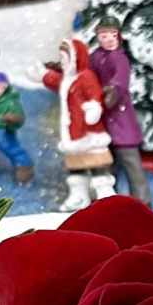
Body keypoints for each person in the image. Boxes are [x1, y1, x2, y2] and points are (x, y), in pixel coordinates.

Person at [44, 36, 115, 209]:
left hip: (89, 132)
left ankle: (106, 196)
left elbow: (94, 95)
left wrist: (94, 109)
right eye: (60, 58)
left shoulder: (86, 76)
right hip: (73, 132)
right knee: (76, 167)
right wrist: (43, 76)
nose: (62, 62)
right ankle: (78, 196)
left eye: (64, 58)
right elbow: (56, 82)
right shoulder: (67, 78)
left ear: (75, 58)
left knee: (97, 165)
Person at [87, 18, 151, 204]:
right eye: (103, 35)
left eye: (112, 35)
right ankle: (109, 200)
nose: (108, 39)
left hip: (122, 122)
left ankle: (143, 202)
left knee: (132, 165)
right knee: (107, 165)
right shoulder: (96, 56)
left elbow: (120, 81)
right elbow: (87, 74)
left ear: (119, 36)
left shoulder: (119, 57)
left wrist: (111, 93)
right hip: (103, 121)